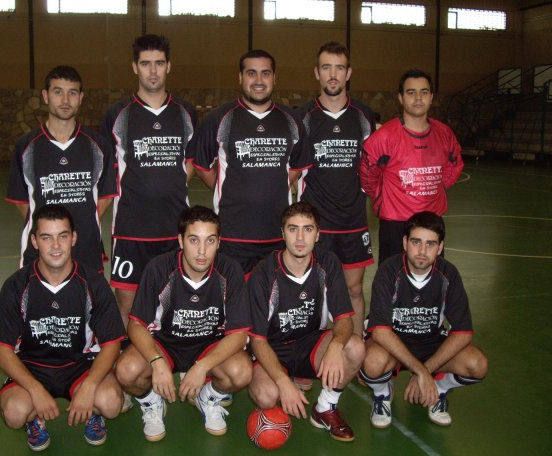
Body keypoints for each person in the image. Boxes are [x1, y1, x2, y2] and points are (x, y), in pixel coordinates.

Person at [0, 205, 125, 451]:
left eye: (62, 236)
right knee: (14, 413)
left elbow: (112, 343)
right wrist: (34, 388)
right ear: (34, 241)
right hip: (33, 367)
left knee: (111, 403)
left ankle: (94, 415)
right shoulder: (17, 286)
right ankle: (34, 421)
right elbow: (1, 350)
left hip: (81, 365)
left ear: (73, 238)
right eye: (46, 237)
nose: (55, 245)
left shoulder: (93, 284)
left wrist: (91, 385)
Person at [115, 206, 252, 441]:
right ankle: (150, 402)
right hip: (164, 344)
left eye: (210, 241)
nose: (201, 251)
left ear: (219, 242)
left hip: (208, 345)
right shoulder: (159, 268)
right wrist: (156, 362)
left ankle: (208, 397)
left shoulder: (229, 271)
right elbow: (136, 324)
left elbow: (239, 334)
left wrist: (201, 367)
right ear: (180, 240)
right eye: (193, 240)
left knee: (241, 373)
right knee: (126, 372)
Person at [101, 34, 198, 325]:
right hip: (131, 229)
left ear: (169, 66)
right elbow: (109, 169)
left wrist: (166, 186)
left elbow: (190, 164)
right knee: (127, 303)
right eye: (146, 64)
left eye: (158, 63)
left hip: (174, 229)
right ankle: (133, 366)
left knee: (176, 300)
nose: (153, 71)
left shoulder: (186, 112)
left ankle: (170, 360)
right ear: (135, 67)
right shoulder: (117, 114)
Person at [247, 202, 365, 442]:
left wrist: (334, 346)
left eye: (308, 229)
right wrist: (282, 381)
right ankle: (284, 380)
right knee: (266, 396)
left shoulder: (328, 263)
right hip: (271, 348)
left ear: (318, 234)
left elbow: (344, 319)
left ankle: (325, 408)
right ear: (282, 233)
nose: (300, 238)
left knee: (354, 347)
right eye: (293, 229)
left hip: (308, 343)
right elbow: (258, 341)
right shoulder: (264, 273)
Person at [360, 211, 488, 428]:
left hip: (431, 343)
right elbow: (381, 331)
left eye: (430, 244)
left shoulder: (449, 274)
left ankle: (439, 389)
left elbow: (462, 332)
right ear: (405, 242)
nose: (422, 251)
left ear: (440, 247)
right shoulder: (389, 271)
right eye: (416, 242)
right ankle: (383, 394)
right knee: (371, 363)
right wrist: (420, 371)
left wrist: (426, 371)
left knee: (477, 365)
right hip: (393, 343)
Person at [194, 49, 309, 277]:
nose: (258, 81)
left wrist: (277, 185)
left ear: (274, 78)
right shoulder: (220, 118)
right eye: (251, 73)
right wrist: (227, 187)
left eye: (265, 74)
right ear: (240, 77)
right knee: (235, 303)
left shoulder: (291, 120)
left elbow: (298, 164)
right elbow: (201, 164)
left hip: (278, 233)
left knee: (272, 303)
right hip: (232, 235)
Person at [295, 41, 375, 337]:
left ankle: (354, 351)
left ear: (348, 72)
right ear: (317, 72)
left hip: (353, 221)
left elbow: (373, 166)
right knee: (312, 292)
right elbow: (289, 172)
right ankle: (309, 358)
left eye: (339, 68)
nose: (333, 75)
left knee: (353, 289)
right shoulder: (302, 118)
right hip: (316, 224)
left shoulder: (364, 116)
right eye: (326, 67)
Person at [6, 65, 116, 273]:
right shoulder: (26, 147)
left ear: (81, 97)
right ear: (46, 96)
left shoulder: (99, 146)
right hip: (40, 255)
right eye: (58, 92)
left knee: (88, 305)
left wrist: (80, 222)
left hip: (86, 250)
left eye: (72, 93)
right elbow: (23, 203)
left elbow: (105, 197)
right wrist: (49, 232)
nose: (65, 100)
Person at [360, 70, 464, 265]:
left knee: (431, 283)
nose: (418, 98)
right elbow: (367, 175)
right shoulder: (384, 137)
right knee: (392, 282)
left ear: (431, 97)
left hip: (432, 221)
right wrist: (384, 197)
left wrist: (435, 188)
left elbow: (454, 165)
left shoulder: (444, 134)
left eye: (424, 92)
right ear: (401, 97)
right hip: (395, 224)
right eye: (411, 92)